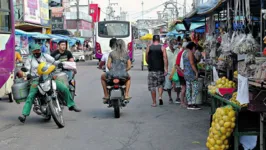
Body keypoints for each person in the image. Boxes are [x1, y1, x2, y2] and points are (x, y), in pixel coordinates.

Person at [18, 44, 81, 123]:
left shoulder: (45, 56)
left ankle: (71, 105)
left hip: (48, 77)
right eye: (34, 51)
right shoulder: (30, 59)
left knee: (64, 88)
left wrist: (59, 63)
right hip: (36, 80)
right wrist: (28, 74)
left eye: (37, 50)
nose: (36, 52)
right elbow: (26, 68)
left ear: (40, 50)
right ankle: (24, 114)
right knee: (31, 95)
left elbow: (54, 61)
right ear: (32, 52)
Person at [146, 35, 168, 107]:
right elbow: (165, 58)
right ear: (159, 40)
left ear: (153, 40)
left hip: (152, 70)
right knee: (160, 85)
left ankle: (154, 102)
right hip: (160, 70)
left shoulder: (149, 47)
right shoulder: (162, 47)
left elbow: (146, 57)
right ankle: (160, 97)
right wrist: (166, 68)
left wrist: (149, 62)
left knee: (152, 87)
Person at [183, 42, 201, 110]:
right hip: (191, 73)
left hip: (186, 73)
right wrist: (196, 72)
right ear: (193, 47)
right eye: (194, 48)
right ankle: (193, 103)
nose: (195, 50)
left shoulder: (184, 52)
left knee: (188, 88)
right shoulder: (190, 53)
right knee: (195, 88)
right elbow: (192, 63)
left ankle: (189, 103)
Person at [163, 39, 179, 103]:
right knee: (168, 85)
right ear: (170, 44)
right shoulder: (165, 50)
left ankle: (178, 97)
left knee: (178, 85)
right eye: (173, 44)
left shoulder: (178, 50)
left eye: (175, 44)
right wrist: (164, 69)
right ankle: (170, 97)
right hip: (168, 70)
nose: (175, 46)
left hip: (176, 70)